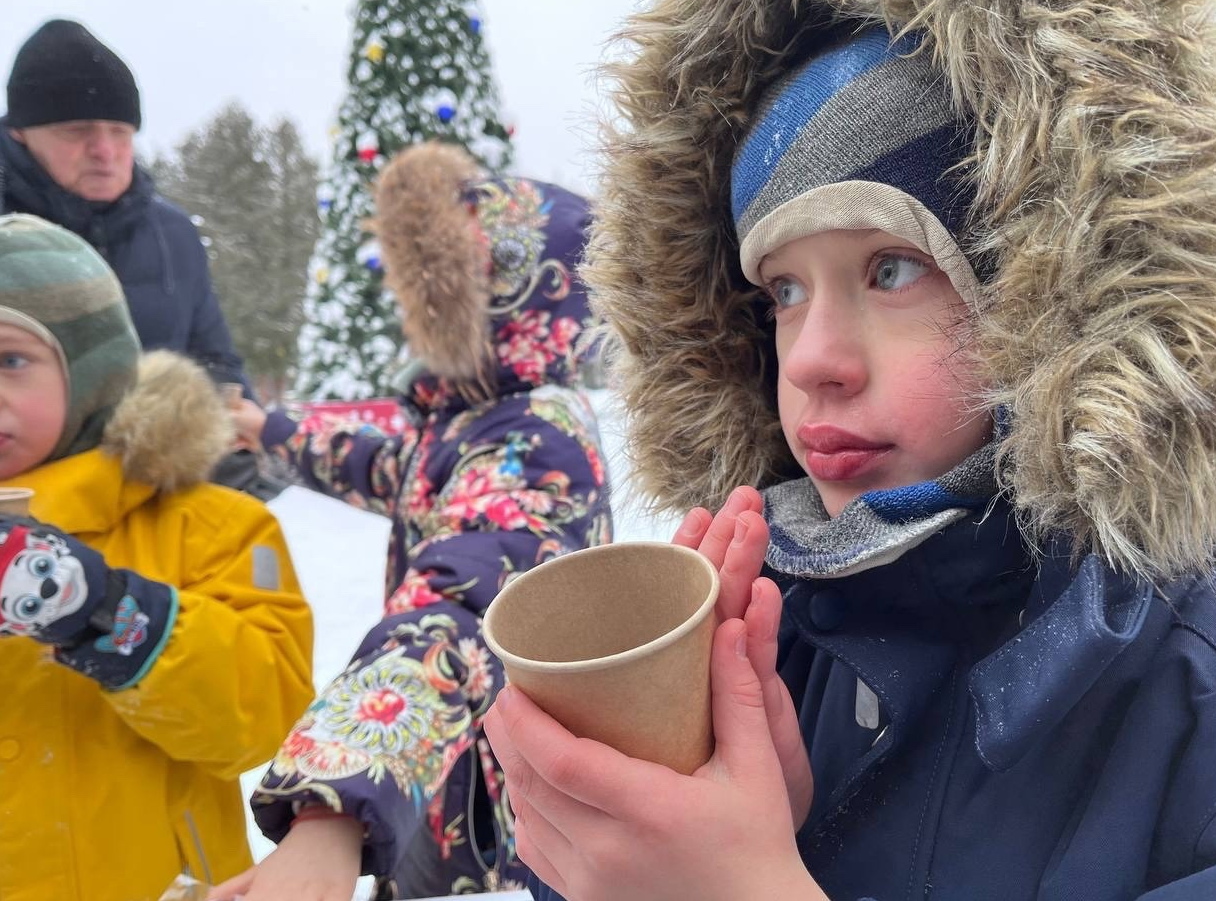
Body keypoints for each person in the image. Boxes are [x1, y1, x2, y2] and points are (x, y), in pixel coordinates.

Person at [482, 2, 1216, 900]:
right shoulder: (777, 634)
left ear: (1061, 293)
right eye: (783, 290)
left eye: (892, 268)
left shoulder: (1188, 688)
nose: (813, 359)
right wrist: (671, 796)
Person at [210, 141, 612, 900]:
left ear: (497, 297)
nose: (406, 309)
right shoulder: (468, 422)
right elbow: (379, 463)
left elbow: (459, 603)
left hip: (494, 795)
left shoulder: (536, 436)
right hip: (446, 767)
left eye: (431, 289)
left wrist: (332, 809)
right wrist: (266, 429)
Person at [0, 213, 315, 899]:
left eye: (10, 359)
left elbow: (262, 716)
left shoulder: (213, 525)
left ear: (91, 370)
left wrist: (106, 614)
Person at [0, 18, 249, 390]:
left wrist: (226, 424)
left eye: (120, 132)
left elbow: (216, 364)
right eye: (77, 131)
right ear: (19, 133)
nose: (105, 151)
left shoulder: (173, 234)